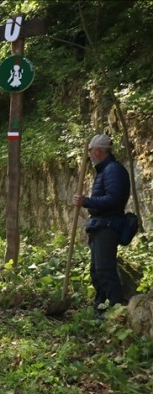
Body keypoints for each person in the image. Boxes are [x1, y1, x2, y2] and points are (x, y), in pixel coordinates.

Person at [72, 134, 130, 317]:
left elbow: (115, 199)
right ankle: (101, 308)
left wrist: (86, 201)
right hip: (99, 225)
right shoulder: (105, 170)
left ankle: (115, 310)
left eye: (90, 151)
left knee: (105, 269)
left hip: (108, 226)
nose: (89, 155)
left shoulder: (113, 170)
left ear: (97, 151)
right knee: (97, 270)